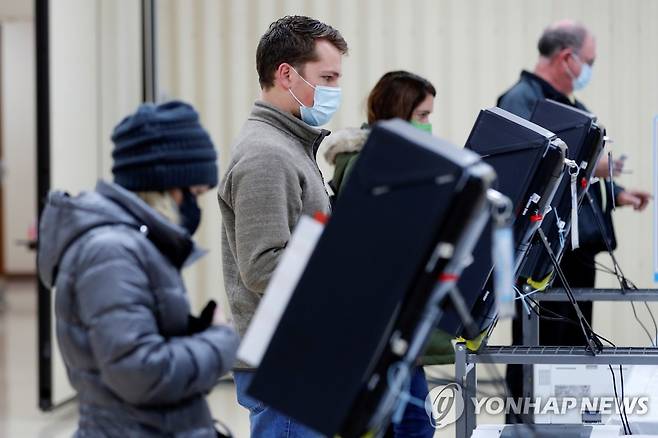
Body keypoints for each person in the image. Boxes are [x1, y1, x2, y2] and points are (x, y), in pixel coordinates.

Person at [36, 101, 239, 437]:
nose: (195, 207)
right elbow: (138, 372)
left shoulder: (132, 244)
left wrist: (193, 331)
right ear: (165, 186)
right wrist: (220, 341)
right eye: (193, 194)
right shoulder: (111, 253)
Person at [497, 20, 651, 417]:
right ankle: (527, 420)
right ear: (567, 58)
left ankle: (564, 419)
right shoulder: (521, 100)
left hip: (576, 249)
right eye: (591, 61)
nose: (590, 69)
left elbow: (579, 180)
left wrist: (616, 192)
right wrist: (589, 165)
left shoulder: (572, 107)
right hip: (545, 253)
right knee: (540, 345)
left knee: (574, 345)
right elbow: (531, 169)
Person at [218, 15, 348, 438]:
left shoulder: (292, 146)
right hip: (286, 364)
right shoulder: (267, 155)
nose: (334, 90)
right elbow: (263, 267)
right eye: (326, 77)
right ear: (286, 74)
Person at [324, 70, 454, 438]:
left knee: (416, 426)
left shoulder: (395, 162)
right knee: (407, 428)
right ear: (399, 113)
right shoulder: (373, 166)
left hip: (396, 330)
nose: (428, 125)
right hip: (377, 331)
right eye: (422, 116)